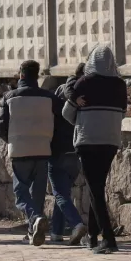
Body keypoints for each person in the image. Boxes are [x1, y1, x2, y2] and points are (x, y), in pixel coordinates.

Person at [63, 46, 128, 255]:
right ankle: (92, 236)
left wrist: (83, 120)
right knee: (96, 187)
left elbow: (67, 113)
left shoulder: (84, 82)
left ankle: (108, 239)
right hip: (110, 141)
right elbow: (123, 113)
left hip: (88, 141)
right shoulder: (120, 84)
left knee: (95, 190)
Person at [0, 60, 56, 246]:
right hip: (43, 150)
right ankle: (33, 231)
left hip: (20, 150)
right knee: (38, 193)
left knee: (21, 193)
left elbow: (1, 125)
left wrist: (12, 140)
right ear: (37, 75)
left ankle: (35, 217)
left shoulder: (9, 97)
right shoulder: (49, 97)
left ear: (21, 74)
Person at [49, 64, 87, 245]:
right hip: (75, 150)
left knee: (60, 193)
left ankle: (76, 223)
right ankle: (56, 232)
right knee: (63, 192)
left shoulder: (68, 89)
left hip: (59, 150)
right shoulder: (81, 92)